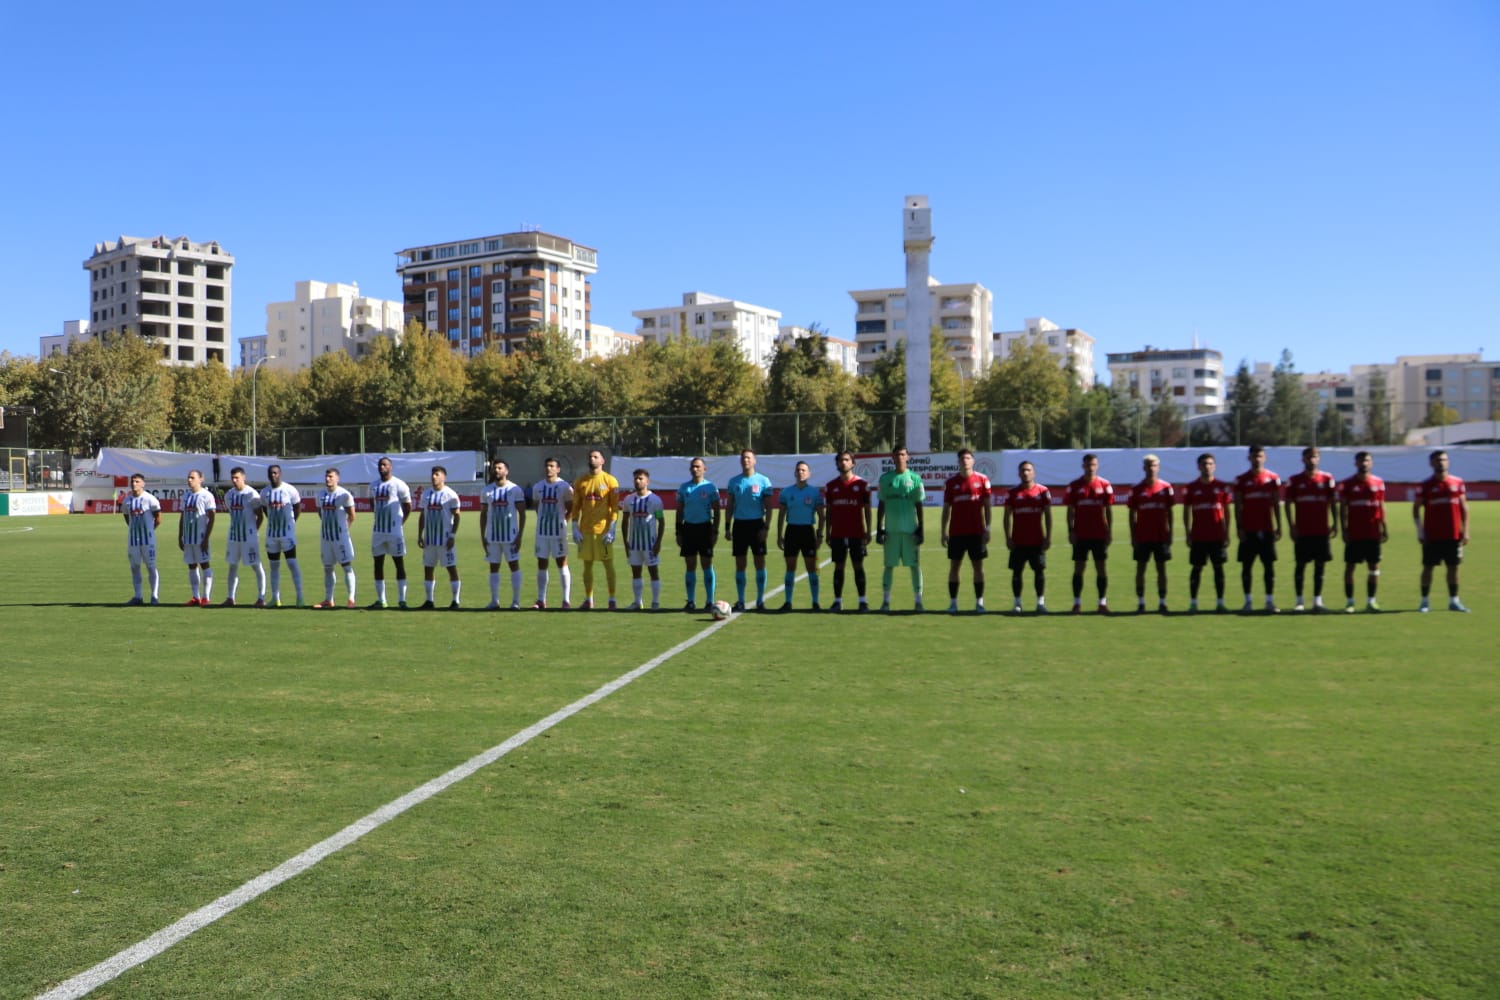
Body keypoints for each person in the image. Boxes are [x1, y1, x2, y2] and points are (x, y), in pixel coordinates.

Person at [1414, 449, 1470, 613]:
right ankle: (1424, 602)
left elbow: (1464, 508)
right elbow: (1416, 509)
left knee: (1453, 568)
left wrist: (1465, 531)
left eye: (1444, 459)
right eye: (1438, 460)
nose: (1441, 462)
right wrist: (1420, 531)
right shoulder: (1425, 485)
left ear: (1448, 462)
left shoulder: (1457, 482)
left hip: (1453, 535)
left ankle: (1454, 601)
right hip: (1432, 535)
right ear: (1431, 463)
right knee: (1428, 567)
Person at [1285, 446, 1337, 612]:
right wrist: (1292, 525)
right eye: (1309, 457)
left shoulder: (1327, 478)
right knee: (1301, 565)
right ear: (1303, 460)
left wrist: (1335, 523)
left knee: (1320, 566)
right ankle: (1299, 601)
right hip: (1302, 530)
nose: (1312, 460)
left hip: (1322, 530)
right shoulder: (1295, 480)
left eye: (1315, 457)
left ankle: (1317, 601)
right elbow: (1287, 504)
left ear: (1318, 459)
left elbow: (1333, 503)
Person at [941, 448, 991, 614]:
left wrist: (988, 528)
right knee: (954, 567)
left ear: (973, 461)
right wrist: (943, 531)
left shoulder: (982, 480)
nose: (965, 460)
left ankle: (979, 603)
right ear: (958, 461)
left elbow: (987, 507)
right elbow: (946, 509)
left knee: (978, 567)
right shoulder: (951, 482)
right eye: (962, 458)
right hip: (956, 533)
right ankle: (953, 603)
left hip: (976, 532)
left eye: (968, 458)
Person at [1234, 444, 1283, 613]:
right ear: (1249, 458)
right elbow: (1238, 505)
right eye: (1254, 456)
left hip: (1267, 529)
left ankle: (1269, 601)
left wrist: (1279, 526)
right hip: (1248, 530)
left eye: (1260, 456)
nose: (1257, 459)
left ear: (1265, 458)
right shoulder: (1241, 479)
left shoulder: (1272, 478)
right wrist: (1239, 527)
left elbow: (1276, 504)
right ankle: (1248, 601)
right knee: (1247, 567)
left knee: (1268, 566)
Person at [876, 446, 926, 612]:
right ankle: (885, 601)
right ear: (892, 458)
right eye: (896, 455)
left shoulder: (915, 479)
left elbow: (919, 504)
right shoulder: (885, 479)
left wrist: (921, 528)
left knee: (914, 565)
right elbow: (882, 503)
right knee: (889, 566)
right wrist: (879, 528)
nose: (899, 457)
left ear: (908, 457)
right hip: (891, 532)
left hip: (910, 531)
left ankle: (918, 601)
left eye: (902, 455)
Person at [569, 449, 620, 610]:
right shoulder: (580, 481)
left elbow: (614, 507)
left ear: (602, 461)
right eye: (590, 456)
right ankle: (588, 599)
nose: (592, 459)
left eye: (595, 457)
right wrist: (574, 527)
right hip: (585, 530)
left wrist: (612, 528)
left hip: (603, 531)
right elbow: (576, 506)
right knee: (587, 566)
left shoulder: (610, 481)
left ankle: (612, 599)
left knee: (608, 565)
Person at [1182, 453, 1232, 612]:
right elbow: (1186, 511)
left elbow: (1227, 511)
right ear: (1198, 467)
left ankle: (1220, 602)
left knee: (1218, 568)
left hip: (1217, 535)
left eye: (1210, 464)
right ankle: (1194, 603)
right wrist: (1187, 532)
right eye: (1204, 464)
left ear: (1214, 466)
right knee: (1196, 568)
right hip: (1198, 535)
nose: (1207, 466)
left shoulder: (1222, 486)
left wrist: (1227, 532)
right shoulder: (1191, 487)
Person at [725, 448, 774, 611]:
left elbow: (769, 506)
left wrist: (766, 527)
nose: (745, 460)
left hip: (756, 525)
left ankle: (760, 601)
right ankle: (741, 600)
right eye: (743, 458)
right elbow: (730, 506)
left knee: (760, 563)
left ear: (755, 461)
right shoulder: (734, 482)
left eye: (748, 458)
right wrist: (727, 526)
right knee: (740, 564)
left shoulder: (763, 481)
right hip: (739, 525)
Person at [1338, 450, 1387, 613]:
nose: (1364, 463)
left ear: (1371, 463)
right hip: (1354, 533)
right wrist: (1344, 529)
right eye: (1361, 461)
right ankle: (1350, 602)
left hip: (1373, 532)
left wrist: (1384, 528)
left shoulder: (1379, 483)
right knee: (1350, 567)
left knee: (1374, 567)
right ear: (1355, 463)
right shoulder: (1347, 484)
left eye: (1367, 461)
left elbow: (1381, 506)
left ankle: (1371, 601)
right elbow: (1343, 509)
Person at [824, 450, 872, 613]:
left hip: (857, 533)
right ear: (837, 464)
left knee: (858, 566)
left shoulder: (862, 485)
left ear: (853, 463)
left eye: (846, 460)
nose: (843, 463)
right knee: (839, 567)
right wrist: (827, 531)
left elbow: (867, 510)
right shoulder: (831, 486)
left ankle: (863, 602)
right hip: (837, 533)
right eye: (840, 460)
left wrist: (868, 530)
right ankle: (837, 601)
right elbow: (828, 512)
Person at [1065, 453, 1113, 614]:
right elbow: (1070, 511)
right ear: (1083, 466)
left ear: (1097, 465)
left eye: (1093, 464)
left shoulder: (1105, 485)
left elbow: (1108, 510)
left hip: (1099, 534)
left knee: (1101, 568)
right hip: (1081, 534)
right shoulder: (1074, 485)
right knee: (1079, 568)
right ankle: (1077, 602)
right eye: (1088, 464)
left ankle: (1102, 602)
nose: (1090, 467)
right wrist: (1071, 531)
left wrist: (1109, 531)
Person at [776, 460, 826, 611]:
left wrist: (819, 535)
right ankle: (788, 602)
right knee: (790, 568)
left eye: (804, 470)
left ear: (809, 473)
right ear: (794, 473)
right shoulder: (786, 492)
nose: (801, 472)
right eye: (798, 470)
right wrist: (779, 535)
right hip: (791, 531)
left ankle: (816, 602)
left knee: (811, 568)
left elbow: (822, 516)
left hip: (807, 532)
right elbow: (781, 514)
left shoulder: (814, 493)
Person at [1003, 460, 1052, 613]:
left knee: (1039, 572)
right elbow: (1006, 517)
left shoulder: (1043, 491)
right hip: (1018, 541)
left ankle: (1040, 603)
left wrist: (1048, 537)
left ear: (1034, 472)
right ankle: (1017, 604)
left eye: (1028, 470)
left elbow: (1048, 516)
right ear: (1019, 473)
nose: (1025, 472)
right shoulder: (1012, 493)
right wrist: (1008, 537)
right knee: (1017, 572)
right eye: (1023, 470)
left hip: (1037, 541)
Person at [1127, 454, 1174, 614]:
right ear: (1143, 468)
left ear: (1158, 467)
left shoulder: (1166, 488)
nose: (1151, 468)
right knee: (1141, 569)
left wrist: (1170, 533)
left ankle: (1162, 602)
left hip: (1161, 536)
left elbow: (1170, 513)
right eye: (1148, 465)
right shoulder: (1136, 489)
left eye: (1154, 465)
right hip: (1142, 536)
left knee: (1161, 570)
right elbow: (1132, 514)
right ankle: (1141, 602)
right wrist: (1133, 536)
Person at [675, 457, 720, 611]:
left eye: (698, 467)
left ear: (704, 469)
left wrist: (715, 530)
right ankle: (691, 601)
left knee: (706, 564)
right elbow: (679, 511)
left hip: (705, 528)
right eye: (693, 467)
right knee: (690, 565)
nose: (695, 469)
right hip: (689, 529)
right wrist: (678, 531)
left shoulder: (710, 488)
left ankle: (709, 601)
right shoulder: (684, 488)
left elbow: (717, 510)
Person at [481, 458, 527, 610]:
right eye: (495, 468)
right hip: (493, 537)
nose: (497, 470)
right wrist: (483, 535)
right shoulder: (486, 490)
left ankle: (516, 601)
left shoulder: (515, 489)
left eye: (500, 468)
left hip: (510, 536)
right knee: (493, 567)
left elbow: (522, 513)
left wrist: (519, 535)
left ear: (506, 471)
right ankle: (494, 601)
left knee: (514, 566)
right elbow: (483, 514)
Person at [367, 456, 412, 609]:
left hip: (394, 532)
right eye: (380, 465)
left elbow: (407, 507)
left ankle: (402, 599)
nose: (382, 467)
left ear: (390, 467)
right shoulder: (373, 486)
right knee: (378, 565)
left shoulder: (399, 484)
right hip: (378, 532)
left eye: (385, 465)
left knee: (399, 564)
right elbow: (372, 504)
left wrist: (400, 523)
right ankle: (381, 600)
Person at [530, 457, 574, 610]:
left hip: (558, 532)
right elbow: (537, 507)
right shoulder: (538, 487)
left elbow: (571, 507)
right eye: (547, 466)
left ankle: (566, 600)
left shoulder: (564, 487)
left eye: (552, 466)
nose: (549, 469)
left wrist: (564, 522)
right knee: (542, 564)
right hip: (542, 532)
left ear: (558, 469)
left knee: (561, 564)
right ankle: (541, 600)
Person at [220, 466, 266, 607]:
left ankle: (261, 597)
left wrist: (253, 531)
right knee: (232, 566)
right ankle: (230, 597)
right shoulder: (229, 495)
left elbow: (260, 516)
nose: (234, 481)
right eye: (232, 478)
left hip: (249, 537)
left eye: (237, 478)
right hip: (234, 536)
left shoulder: (252, 494)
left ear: (243, 478)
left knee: (256, 565)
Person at [417, 465, 461, 609]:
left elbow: (457, 516)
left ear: (444, 477)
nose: (433, 477)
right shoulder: (426, 494)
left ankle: (455, 600)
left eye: (437, 474)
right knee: (428, 568)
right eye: (432, 474)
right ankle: (429, 600)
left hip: (445, 539)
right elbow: (423, 515)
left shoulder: (451, 494)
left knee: (451, 568)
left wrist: (453, 536)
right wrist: (420, 534)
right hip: (430, 540)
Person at [261, 463, 304, 607]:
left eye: (275, 473)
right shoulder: (264, 492)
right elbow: (265, 509)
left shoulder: (289, 490)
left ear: (280, 474)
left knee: (292, 563)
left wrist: (291, 524)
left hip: (287, 534)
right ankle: (275, 598)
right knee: (274, 566)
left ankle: (300, 597)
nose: (273, 476)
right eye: (271, 473)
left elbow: (297, 508)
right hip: (272, 535)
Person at [621, 468, 665, 610]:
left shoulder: (655, 500)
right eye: (635, 478)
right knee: (636, 572)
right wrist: (625, 543)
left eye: (640, 478)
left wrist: (658, 542)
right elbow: (625, 521)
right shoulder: (628, 499)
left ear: (647, 481)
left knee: (653, 571)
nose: (637, 481)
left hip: (650, 544)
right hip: (634, 544)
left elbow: (661, 522)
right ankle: (637, 602)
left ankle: (655, 602)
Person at [315, 467, 357, 609]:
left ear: (337, 478)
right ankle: (328, 599)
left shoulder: (344, 495)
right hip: (326, 538)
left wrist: (344, 530)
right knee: (328, 568)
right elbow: (320, 513)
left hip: (340, 539)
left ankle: (351, 598)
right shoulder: (320, 494)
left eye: (331, 477)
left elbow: (352, 516)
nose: (328, 479)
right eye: (326, 476)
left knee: (346, 567)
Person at [122, 472, 162, 605]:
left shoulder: (150, 499)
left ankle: (154, 596)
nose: (134, 484)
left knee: (151, 566)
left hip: (148, 540)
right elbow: (127, 518)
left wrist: (149, 531)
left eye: (137, 481)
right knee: (134, 567)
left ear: (143, 484)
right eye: (132, 481)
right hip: (133, 540)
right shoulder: (127, 501)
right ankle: (138, 596)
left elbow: (158, 519)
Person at [179, 469, 217, 606]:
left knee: (205, 564)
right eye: (188, 477)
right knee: (191, 566)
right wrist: (180, 536)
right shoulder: (185, 496)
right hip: (188, 538)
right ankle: (195, 597)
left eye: (192, 478)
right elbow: (183, 516)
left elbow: (212, 517)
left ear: (201, 479)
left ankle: (206, 597)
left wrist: (206, 538)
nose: (189, 480)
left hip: (200, 538)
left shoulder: (207, 496)